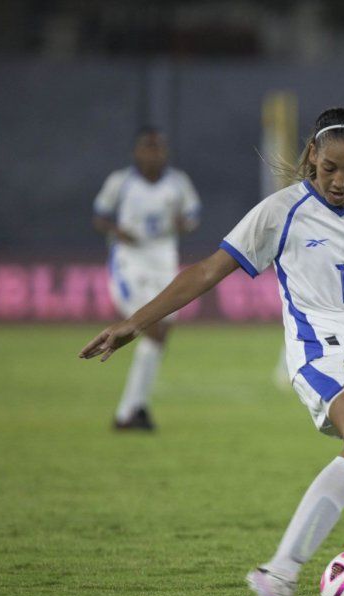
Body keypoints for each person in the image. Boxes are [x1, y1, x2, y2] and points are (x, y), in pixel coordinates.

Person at [80, 107, 344, 596]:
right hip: (320, 347)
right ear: (313, 154)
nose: (339, 180)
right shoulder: (280, 211)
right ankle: (279, 574)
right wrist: (134, 323)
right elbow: (207, 271)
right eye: (330, 167)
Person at [93, 126, 200, 430]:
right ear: (136, 152)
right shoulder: (121, 182)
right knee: (151, 330)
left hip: (163, 260)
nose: (153, 154)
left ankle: (134, 410)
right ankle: (128, 412)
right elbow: (100, 215)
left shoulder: (178, 183)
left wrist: (185, 224)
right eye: (148, 148)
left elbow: (192, 216)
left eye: (158, 148)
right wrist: (116, 231)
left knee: (160, 334)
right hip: (129, 263)